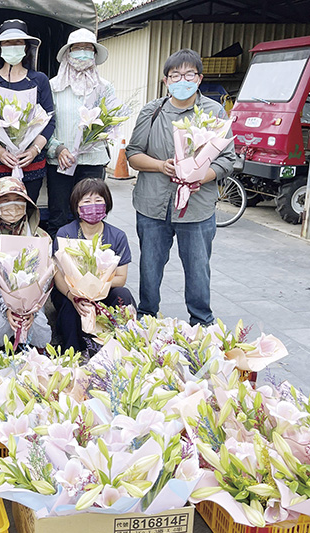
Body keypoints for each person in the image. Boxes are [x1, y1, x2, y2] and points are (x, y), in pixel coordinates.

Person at [126, 49, 234, 326]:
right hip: (153, 205)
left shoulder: (214, 112)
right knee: (150, 267)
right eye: (175, 75)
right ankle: (146, 318)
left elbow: (227, 158)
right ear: (166, 81)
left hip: (196, 209)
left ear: (199, 78)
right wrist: (162, 166)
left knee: (198, 268)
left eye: (188, 75)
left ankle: (201, 322)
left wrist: (201, 176)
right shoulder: (153, 110)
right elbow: (133, 154)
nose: (181, 80)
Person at [46, 28, 120, 236]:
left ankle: (87, 259)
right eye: (78, 49)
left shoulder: (104, 88)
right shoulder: (53, 86)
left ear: (94, 55)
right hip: (61, 162)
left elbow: (111, 122)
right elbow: (43, 124)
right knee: (59, 214)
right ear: (68, 54)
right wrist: (57, 148)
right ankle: (58, 261)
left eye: (88, 49)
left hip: (92, 162)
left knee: (90, 214)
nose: (83, 54)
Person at [0, 19, 55, 202]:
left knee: (27, 212)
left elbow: (50, 120)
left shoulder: (39, 80)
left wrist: (34, 150)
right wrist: (0, 152)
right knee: (0, 213)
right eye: (8, 43)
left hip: (31, 163)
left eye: (18, 42)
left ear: (26, 47)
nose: (13, 46)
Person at [53, 178, 135, 353]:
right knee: (69, 305)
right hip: (72, 293)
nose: (93, 205)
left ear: (107, 204)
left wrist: (96, 287)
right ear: (76, 206)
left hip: (104, 293)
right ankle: (72, 352)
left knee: (123, 295)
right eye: (87, 201)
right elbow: (57, 274)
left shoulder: (117, 236)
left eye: (98, 200)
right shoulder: (65, 233)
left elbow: (121, 278)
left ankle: (121, 344)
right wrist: (73, 295)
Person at [0, 176, 52, 349]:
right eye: (5, 200)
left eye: (18, 200)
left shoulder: (42, 237)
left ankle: (39, 361)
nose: (13, 205)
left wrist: (29, 309)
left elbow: (45, 276)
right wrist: (6, 307)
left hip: (32, 304)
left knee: (38, 325)